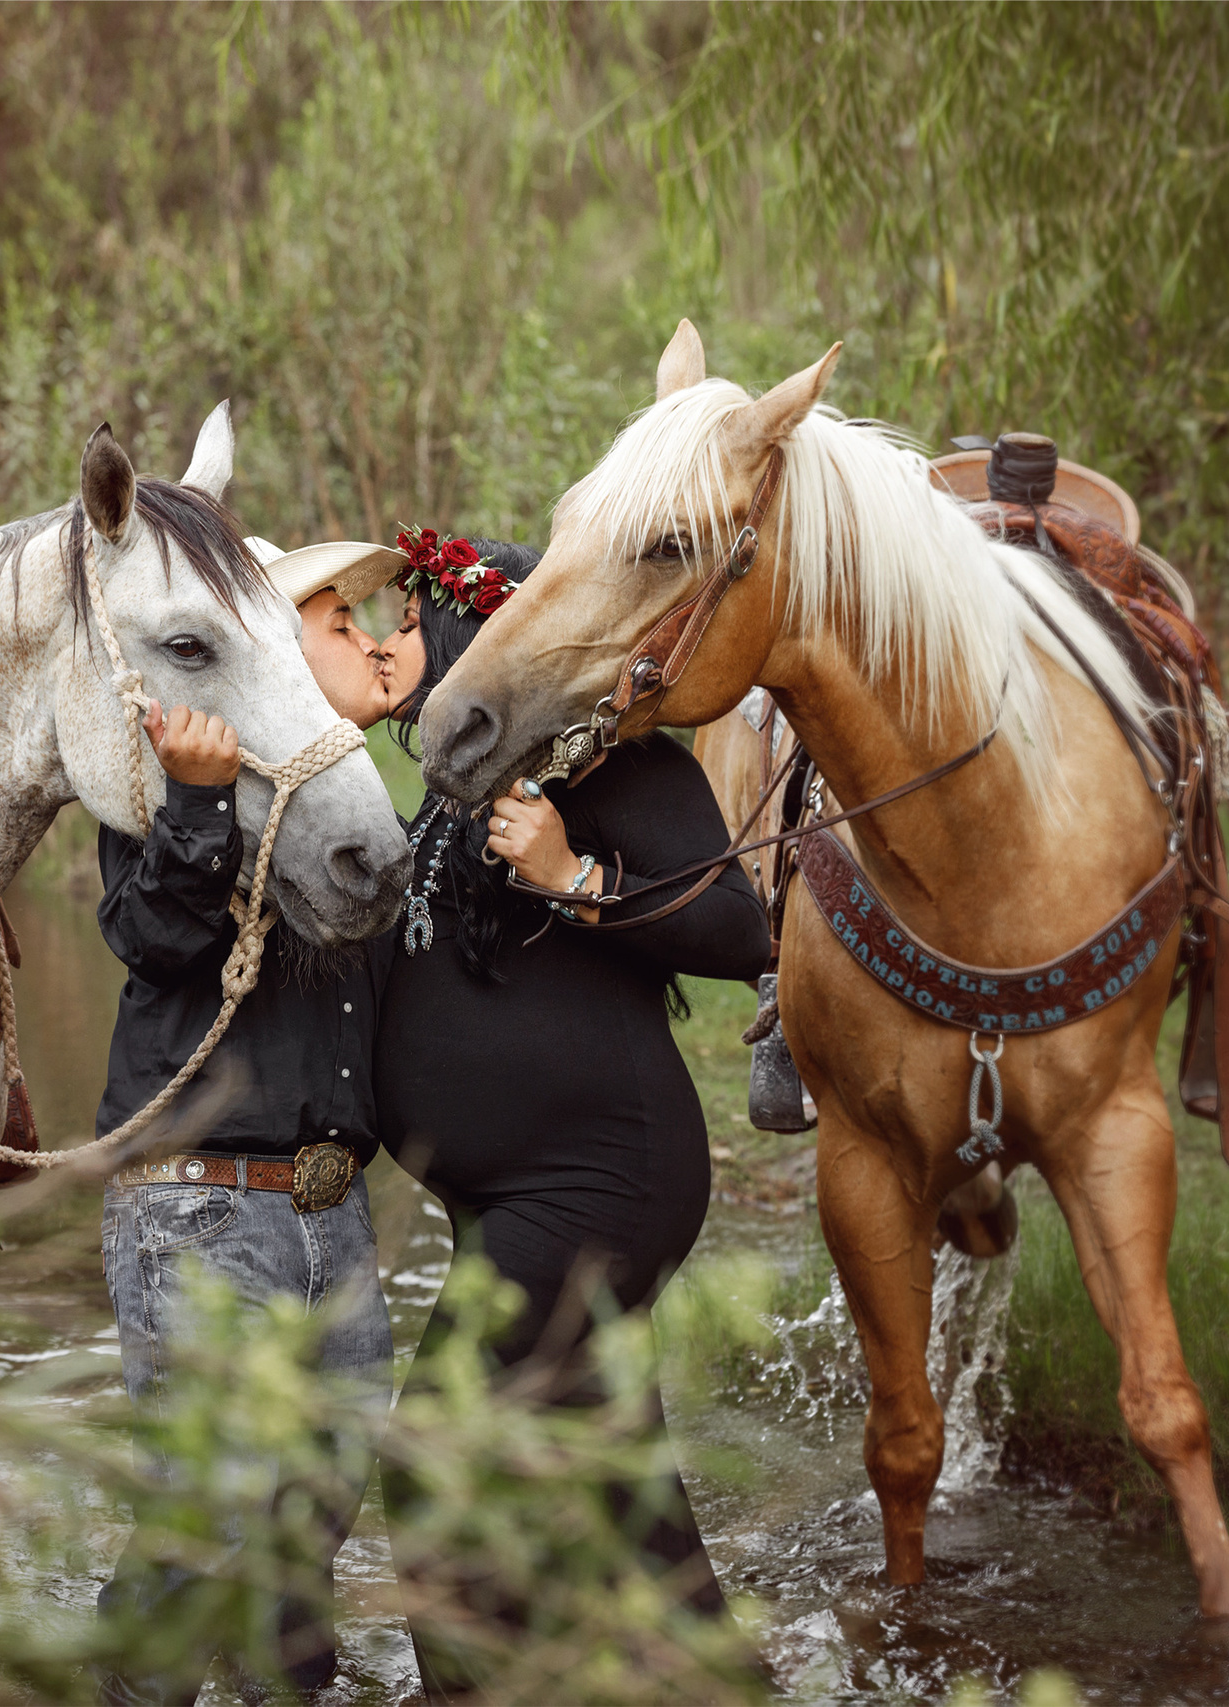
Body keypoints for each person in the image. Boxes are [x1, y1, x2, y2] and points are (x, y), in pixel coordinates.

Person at [369, 531, 771, 1697]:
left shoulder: (620, 773)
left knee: (434, 1454)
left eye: (405, 622)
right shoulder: (451, 792)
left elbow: (741, 932)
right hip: (516, 1197)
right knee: (615, 1482)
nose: (392, 641)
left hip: (599, 1182)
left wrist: (570, 879)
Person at [93, 534, 408, 1706]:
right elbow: (154, 942)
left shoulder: (356, 808)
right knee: (211, 1520)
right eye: (338, 623)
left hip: (334, 1214)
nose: (367, 640)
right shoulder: (156, 777)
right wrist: (198, 797)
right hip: (200, 1204)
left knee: (312, 1518)